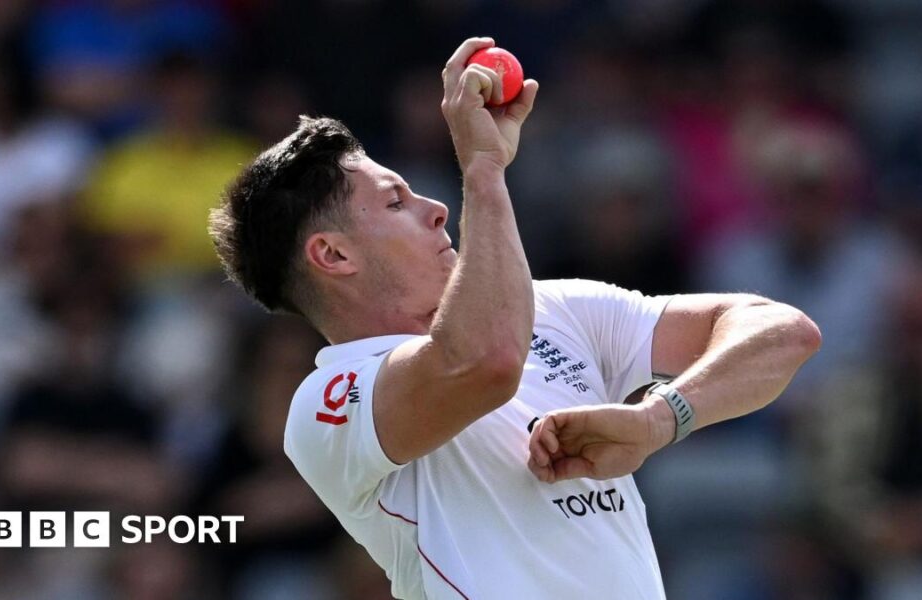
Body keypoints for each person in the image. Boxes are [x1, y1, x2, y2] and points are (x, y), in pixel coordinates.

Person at [208, 37, 821, 599]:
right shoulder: (331, 402)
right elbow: (486, 360)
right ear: (333, 255)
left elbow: (782, 332)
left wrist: (660, 419)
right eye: (396, 200)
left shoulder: (555, 309)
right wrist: (483, 169)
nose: (436, 208)